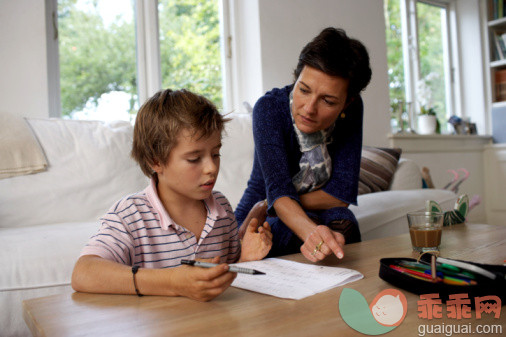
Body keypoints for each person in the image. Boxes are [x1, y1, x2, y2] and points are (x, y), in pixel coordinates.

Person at [72, 89, 272, 302]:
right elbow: (83, 273)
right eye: (195, 158)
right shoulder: (130, 214)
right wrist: (173, 282)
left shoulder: (221, 208)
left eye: (215, 154)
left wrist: (246, 259)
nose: (211, 168)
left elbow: (224, 281)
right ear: (155, 161)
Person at [235, 27, 371, 263]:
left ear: (346, 103)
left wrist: (272, 203)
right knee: (293, 233)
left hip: (270, 204)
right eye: (304, 90)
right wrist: (309, 231)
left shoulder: (353, 109)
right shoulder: (269, 109)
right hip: (257, 214)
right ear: (296, 78)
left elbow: (341, 194)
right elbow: (278, 190)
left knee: (344, 223)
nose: (309, 108)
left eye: (327, 101)